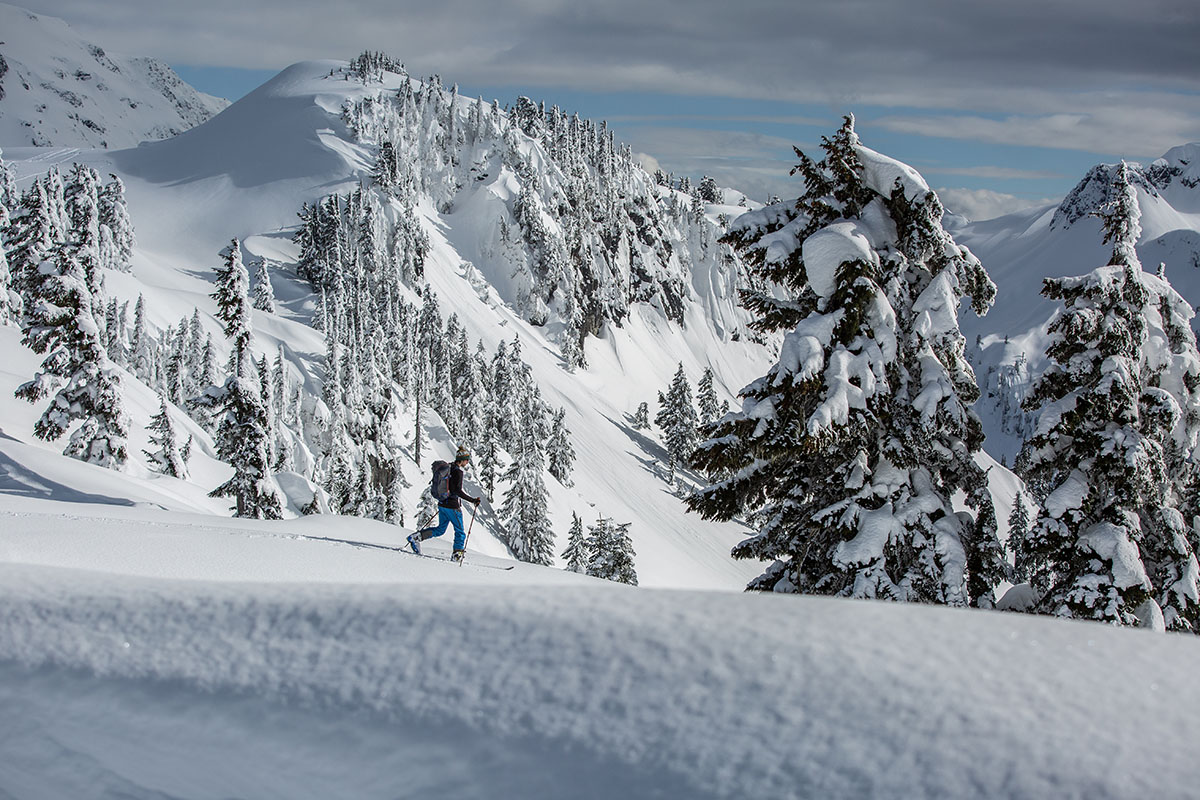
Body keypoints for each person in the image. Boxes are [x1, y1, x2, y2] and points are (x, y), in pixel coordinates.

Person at [408, 447, 480, 561]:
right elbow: (457, 491)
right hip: (452, 506)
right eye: (466, 460)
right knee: (460, 531)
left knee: (441, 529)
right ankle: (457, 555)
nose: (467, 462)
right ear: (462, 460)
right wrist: (473, 500)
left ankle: (416, 537)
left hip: (442, 504)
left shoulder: (449, 467)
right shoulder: (458, 472)